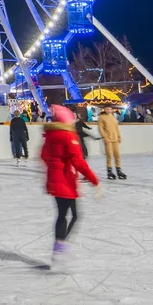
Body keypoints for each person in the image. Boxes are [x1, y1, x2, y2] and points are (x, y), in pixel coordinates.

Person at [42, 107, 100, 268]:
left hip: (54, 180)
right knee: (72, 215)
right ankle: (59, 248)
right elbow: (79, 161)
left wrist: (55, 167)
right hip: (66, 181)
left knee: (65, 214)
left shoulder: (50, 135)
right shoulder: (68, 136)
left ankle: (59, 247)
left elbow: (44, 155)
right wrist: (94, 180)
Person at [98, 106, 126, 180]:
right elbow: (100, 128)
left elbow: (116, 128)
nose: (109, 110)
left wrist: (119, 136)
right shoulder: (102, 117)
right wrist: (104, 137)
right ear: (104, 109)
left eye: (110, 109)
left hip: (115, 139)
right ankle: (109, 171)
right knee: (109, 155)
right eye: (107, 109)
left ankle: (119, 171)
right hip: (108, 139)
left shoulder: (113, 116)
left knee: (117, 155)